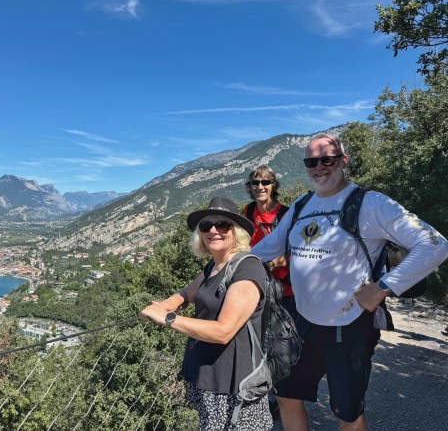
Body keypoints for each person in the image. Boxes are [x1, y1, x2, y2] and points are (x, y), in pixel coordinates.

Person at [251, 134, 448, 431]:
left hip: (349, 325)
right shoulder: (302, 204)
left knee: (347, 413)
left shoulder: (371, 202)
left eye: (327, 159)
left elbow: (435, 244)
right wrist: (225, 266)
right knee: (287, 396)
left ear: (343, 161)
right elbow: (268, 247)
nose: (319, 167)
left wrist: (382, 288)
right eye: (311, 162)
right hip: (303, 321)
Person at [141, 197, 273, 431]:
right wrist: (165, 304)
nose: (213, 231)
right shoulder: (214, 266)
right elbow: (186, 293)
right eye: (206, 226)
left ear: (237, 232)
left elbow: (224, 331)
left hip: (233, 387)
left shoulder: (247, 268)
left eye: (222, 224)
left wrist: (168, 318)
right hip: (207, 378)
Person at [243, 164, 293, 419]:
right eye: (255, 183)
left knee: (280, 343)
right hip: (255, 287)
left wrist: (272, 263)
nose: (260, 187)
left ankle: (284, 398)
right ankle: (267, 396)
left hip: (283, 289)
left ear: (274, 185)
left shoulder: (285, 214)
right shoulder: (247, 212)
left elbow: (294, 250)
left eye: (266, 182)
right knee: (258, 341)